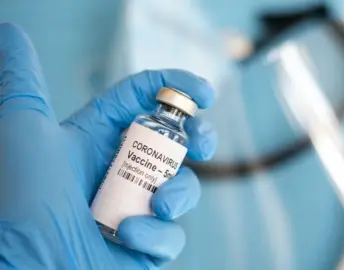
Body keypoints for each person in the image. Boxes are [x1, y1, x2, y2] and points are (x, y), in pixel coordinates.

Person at [0, 22, 217, 269]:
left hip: (114, 233)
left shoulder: (172, 136)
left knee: (163, 201)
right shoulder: (144, 122)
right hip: (95, 217)